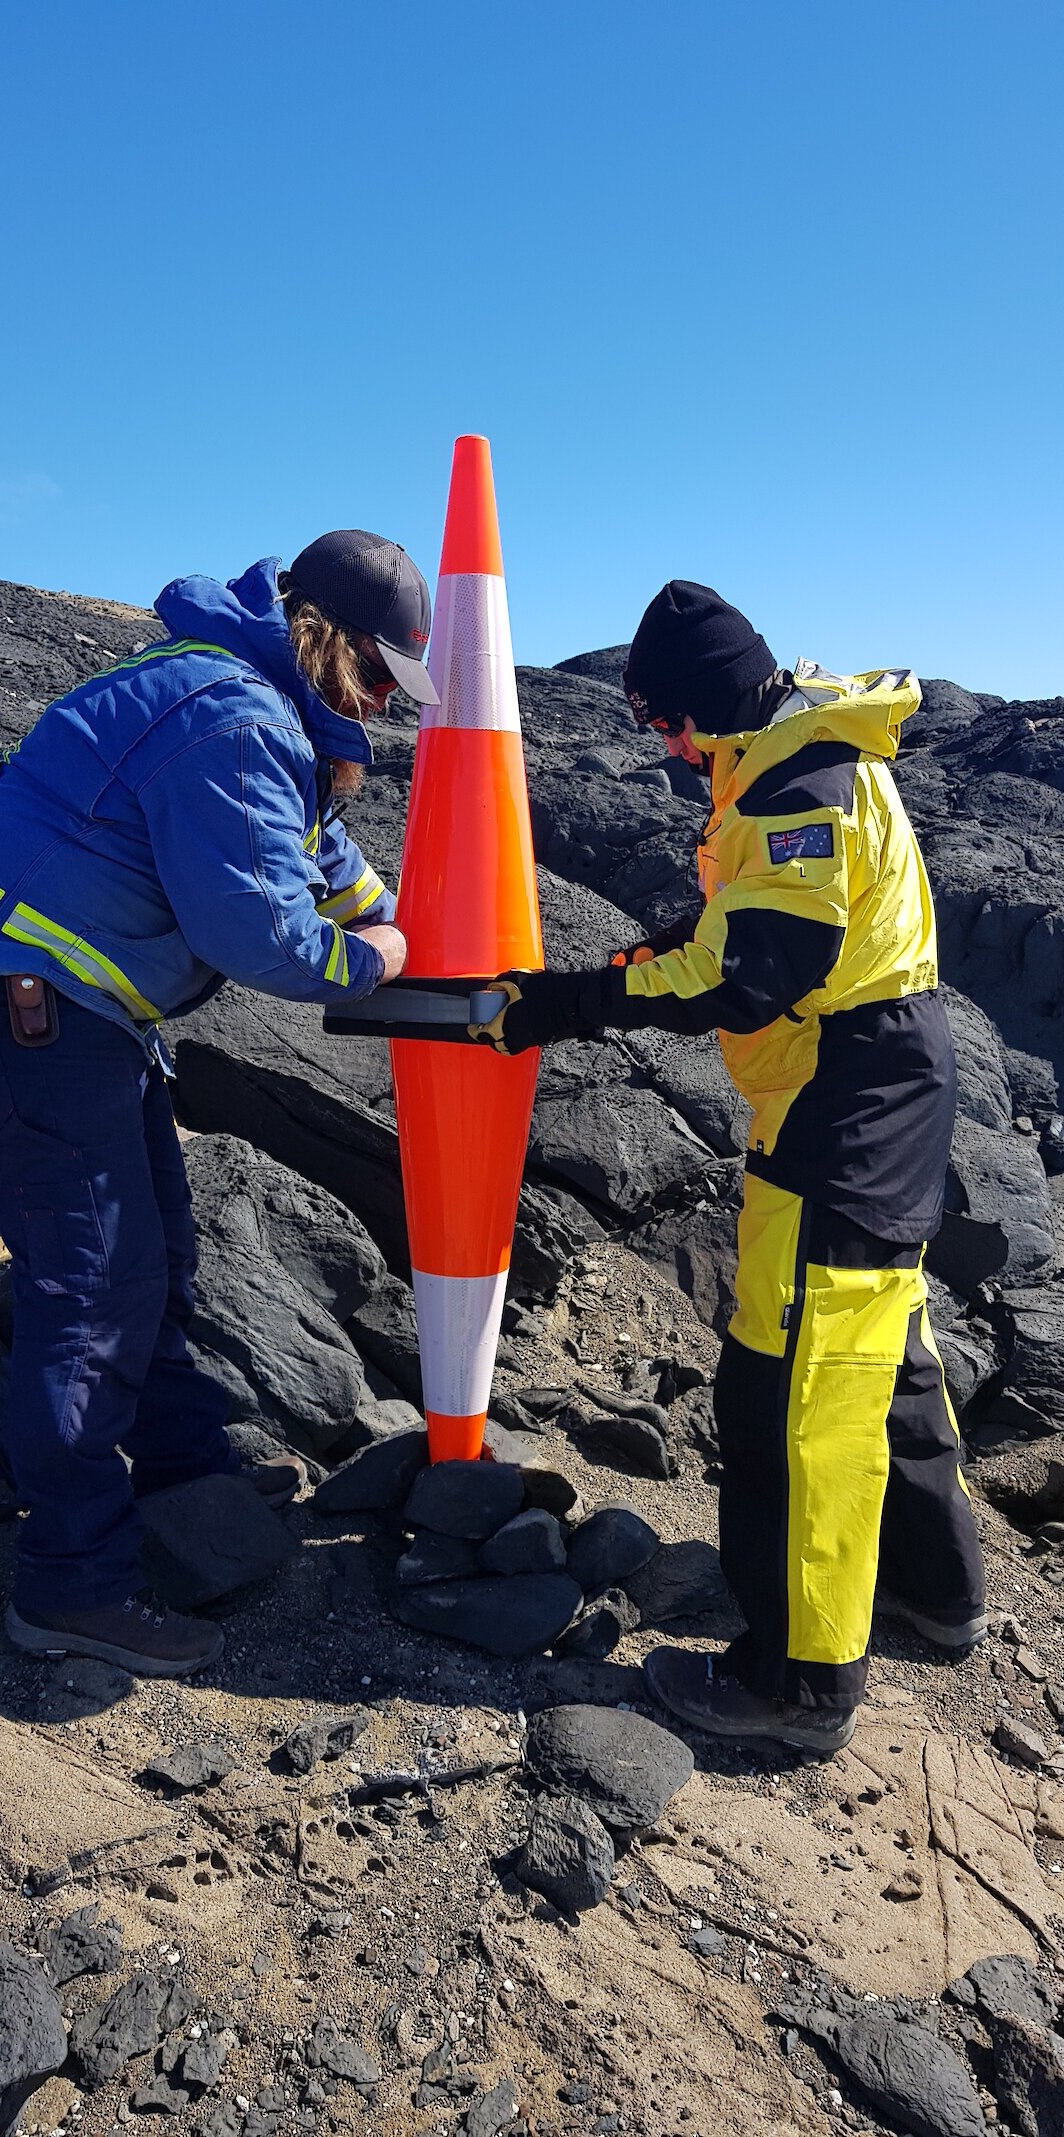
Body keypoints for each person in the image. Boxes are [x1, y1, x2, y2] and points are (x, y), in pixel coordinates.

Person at [0, 532, 437, 1677]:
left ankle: (190, 1480)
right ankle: (70, 1587)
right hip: (20, 995)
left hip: (67, 999)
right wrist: (379, 957)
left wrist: (398, 909)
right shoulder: (233, 717)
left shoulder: (254, 704)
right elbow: (259, 933)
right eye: (380, 674)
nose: (386, 702)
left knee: (159, 1248)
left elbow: (308, 845)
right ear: (322, 637)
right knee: (93, 1279)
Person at [471, 580, 986, 1755]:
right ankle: (934, 1589)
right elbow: (735, 937)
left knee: (794, 1398)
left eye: (662, 723)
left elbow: (749, 973)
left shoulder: (796, 786)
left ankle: (798, 1683)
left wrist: (571, 1001)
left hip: (839, 1107)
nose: (665, 747)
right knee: (880, 1356)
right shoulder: (804, 748)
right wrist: (638, 958)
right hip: (881, 1081)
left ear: (700, 706)